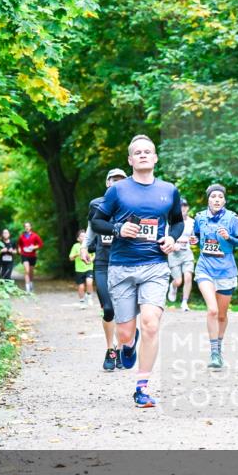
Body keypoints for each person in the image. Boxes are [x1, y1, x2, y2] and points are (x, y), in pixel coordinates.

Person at [91, 135, 184, 408]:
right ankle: (128, 345)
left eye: (148, 151)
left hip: (155, 265)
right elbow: (98, 222)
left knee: (151, 324)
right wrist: (118, 229)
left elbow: (177, 222)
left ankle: (142, 388)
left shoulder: (169, 190)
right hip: (120, 267)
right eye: (137, 153)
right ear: (130, 160)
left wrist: (172, 239)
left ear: (155, 158)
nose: (143, 155)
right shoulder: (117, 192)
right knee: (124, 334)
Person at [193, 184, 238, 369]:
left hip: (226, 271)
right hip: (205, 269)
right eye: (213, 196)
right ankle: (214, 352)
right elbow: (197, 236)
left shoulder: (232, 218)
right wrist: (194, 241)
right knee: (213, 310)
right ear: (208, 199)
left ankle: (219, 346)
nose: (217, 199)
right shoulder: (200, 217)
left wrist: (229, 238)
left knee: (222, 316)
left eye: (220, 197)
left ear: (224, 200)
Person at [83, 168, 128, 371]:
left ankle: (120, 349)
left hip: (125, 263)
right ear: (107, 183)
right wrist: (85, 246)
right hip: (102, 263)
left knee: (123, 312)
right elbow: (92, 226)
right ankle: (110, 349)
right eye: (114, 180)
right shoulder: (97, 204)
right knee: (108, 309)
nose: (117, 184)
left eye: (121, 181)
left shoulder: (132, 205)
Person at [166, 197, 196, 311]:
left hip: (187, 252)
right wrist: (173, 245)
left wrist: (194, 240)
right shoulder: (170, 221)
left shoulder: (192, 222)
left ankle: (184, 302)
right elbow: (166, 237)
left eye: (184, 206)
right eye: (180, 206)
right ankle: (173, 286)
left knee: (188, 276)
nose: (182, 208)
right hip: (173, 253)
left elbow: (195, 237)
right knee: (179, 281)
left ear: (187, 208)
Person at [69, 229, 94, 307]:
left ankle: (89, 296)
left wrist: (91, 260)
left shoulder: (90, 245)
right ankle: (82, 301)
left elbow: (94, 255)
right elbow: (70, 258)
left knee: (89, 282)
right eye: (81, 236)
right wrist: (77, 254)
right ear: (78, 239)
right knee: (81, 286)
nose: (83, 237)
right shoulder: (75, 246)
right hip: (79, 270)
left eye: (85, 236)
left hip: (89, 267)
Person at [17, 222, 43, 293]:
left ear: (31, 227)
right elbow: (19, 244)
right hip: (24, 255)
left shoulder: (35, 235)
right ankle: (27, 288)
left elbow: (40, 244)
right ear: (24, 227)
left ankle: (31, 283)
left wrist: (34, 247)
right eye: (25, 226)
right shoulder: (21, 236)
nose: (27, 227)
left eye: (28, 226)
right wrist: (19, 250)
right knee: (27, 271)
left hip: (32, 256)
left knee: (31, 272)